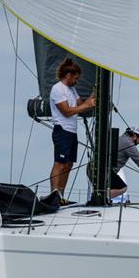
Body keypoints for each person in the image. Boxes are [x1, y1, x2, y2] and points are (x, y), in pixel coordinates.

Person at [50, 58, 96, 200]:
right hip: (62, 130)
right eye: (76, 78)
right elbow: (67, 111)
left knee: (69, 164)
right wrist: (87, 106)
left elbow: (80, 105)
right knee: (60, 163)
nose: (77, 81)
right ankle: (54, 194)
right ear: (68, 75)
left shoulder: (72, 89)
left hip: (72, 132)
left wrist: (93, 96)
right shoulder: (58, 89)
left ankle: (61, 195)